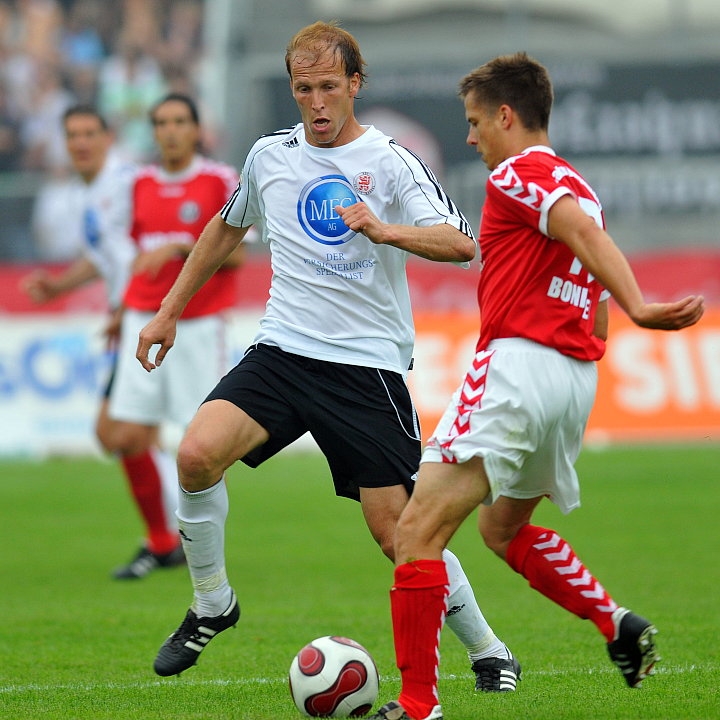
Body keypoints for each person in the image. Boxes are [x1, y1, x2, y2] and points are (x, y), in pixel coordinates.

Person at [136, 21, 521, 693]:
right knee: (196, 455)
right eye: (303, 88)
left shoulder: (391, 161)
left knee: (400, 534)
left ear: (355, 84)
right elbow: (227, 226)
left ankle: (490, 651)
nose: (316, 103)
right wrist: (168, 309)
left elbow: (460, 244)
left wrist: (383, 229)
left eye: (328, 87)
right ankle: (212, 603)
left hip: (365, 367)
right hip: (283, 352)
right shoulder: (269, 156)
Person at [370, 52, 705, 720]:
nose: (471, 138)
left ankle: (417, 705)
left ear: (505, 115)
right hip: (573, 378)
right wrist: (603, 323)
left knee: (415, 535)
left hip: (517, 367)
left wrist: (640, 305)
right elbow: (591, 288)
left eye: (475, 122)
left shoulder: (519, 173)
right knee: (501, 529)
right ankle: (614, 621)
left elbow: (576, 235)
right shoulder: (582, 188)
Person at [105, 92, 243, 580]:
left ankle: (204, 553)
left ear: (196, 129)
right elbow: (127, 255)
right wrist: (120, 309)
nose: (170, 131)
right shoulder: (136, 183)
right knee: (126, 435)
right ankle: (161, 543)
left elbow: (240, 254)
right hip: (141, 319)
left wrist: (183, 247)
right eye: (161, 122)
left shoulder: (219, 179)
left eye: (180, 121)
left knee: (199, 444)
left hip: (197, 324)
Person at [22, 103, 136, 487]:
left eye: (89, 134)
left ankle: (172, 521)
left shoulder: (125, 182)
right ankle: (171, 521)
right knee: (131, 434)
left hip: (145, 315)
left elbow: (137, 254)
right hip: (132, 315)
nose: (81, 143)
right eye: (72, 135)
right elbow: (103, 258)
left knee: (115, 431)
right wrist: (59, 286)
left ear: (108, 138)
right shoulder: (85, 191)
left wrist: (126, 308)